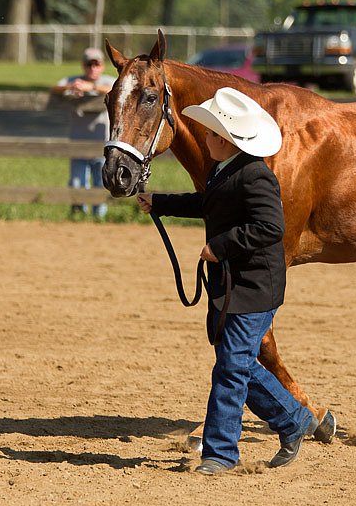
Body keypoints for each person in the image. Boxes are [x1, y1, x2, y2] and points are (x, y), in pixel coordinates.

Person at [137, 87, 326, 475]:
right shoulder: (223, 171)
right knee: (235, 363)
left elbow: (270, 227)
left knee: (230, 367)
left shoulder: (256, 176)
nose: (204, 138)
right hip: (233, 286)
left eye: (209, 134)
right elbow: (208, 204)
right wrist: (161, 203)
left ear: (224, 139)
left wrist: (220, 246)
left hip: (254, 288)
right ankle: (295, 420)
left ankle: (221, 454)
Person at [51, 47, 115, 218]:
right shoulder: (74, 80)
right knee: (77, 182)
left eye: (96, 64)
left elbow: (115, 89)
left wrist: (91, 87)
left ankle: (99, 217)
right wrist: (72, 88)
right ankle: (78, 214)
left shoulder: (108, 81)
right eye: (89, 64)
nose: (92, 68)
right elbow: (55, 88)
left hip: (102, 145)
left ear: (102, 66)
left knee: (100, 182)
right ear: (83, 65)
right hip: (78, 144)